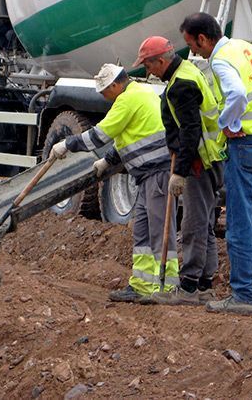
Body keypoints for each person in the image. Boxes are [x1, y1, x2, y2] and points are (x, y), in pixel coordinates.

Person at [180, 12, 252, 315]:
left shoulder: (221, 59)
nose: (194, 52)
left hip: (246, 143)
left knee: (239, 221)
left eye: (193, 45)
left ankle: (243, 296)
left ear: (203, 38)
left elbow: (237, 93)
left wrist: (229, 122)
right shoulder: (244, 48)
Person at [50, 64, 179, 303]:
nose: (102, 96)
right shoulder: (140, 93)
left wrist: (67, 144)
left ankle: (166, 287)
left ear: (115, 85)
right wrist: (108, 160)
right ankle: (141, 284)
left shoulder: (128, 99)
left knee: (160, 230)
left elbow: (99, 136)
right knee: (142, 229)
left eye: (104, 91)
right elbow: (130, 135)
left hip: (158, 173)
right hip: (147, 176)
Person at [133, 36, 225, 305]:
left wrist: (180, 172)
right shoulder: (188, 71)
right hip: (213, 158)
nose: (148, 72)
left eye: (149, 66)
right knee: (204, 222)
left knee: (193, 223)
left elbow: (190, 131)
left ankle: (188, 287)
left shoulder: (180, 86)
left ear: (160, 61)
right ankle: (205, 282)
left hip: (200, 161)